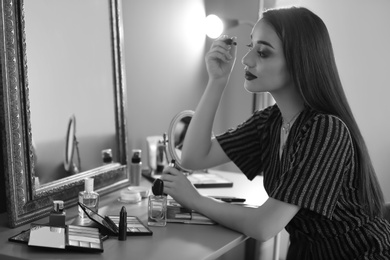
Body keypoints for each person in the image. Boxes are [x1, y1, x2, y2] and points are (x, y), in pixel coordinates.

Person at [161, 6, 390, 259]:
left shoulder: (326, 130)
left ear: (298, 63)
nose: (246, 60)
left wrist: (195, 200)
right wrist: (217, 81)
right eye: (250, 47)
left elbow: (264, 226)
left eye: (263, 53)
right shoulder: (271, 122)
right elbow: (193, 157)